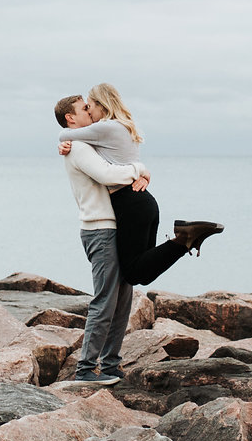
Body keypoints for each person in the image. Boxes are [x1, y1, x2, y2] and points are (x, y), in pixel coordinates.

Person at [56, 86, 223, 382]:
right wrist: (139, 170)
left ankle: (109, 365)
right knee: (108, 299)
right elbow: (109, 175)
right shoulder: (78, 146)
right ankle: (86, 369)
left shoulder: (89, 143)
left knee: (122, 299)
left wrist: (141, 170)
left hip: (114, 225)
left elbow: (115, 165)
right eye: (84, 109)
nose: (90, 112)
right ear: (70, 118)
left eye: (90, 106)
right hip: (100, 228)